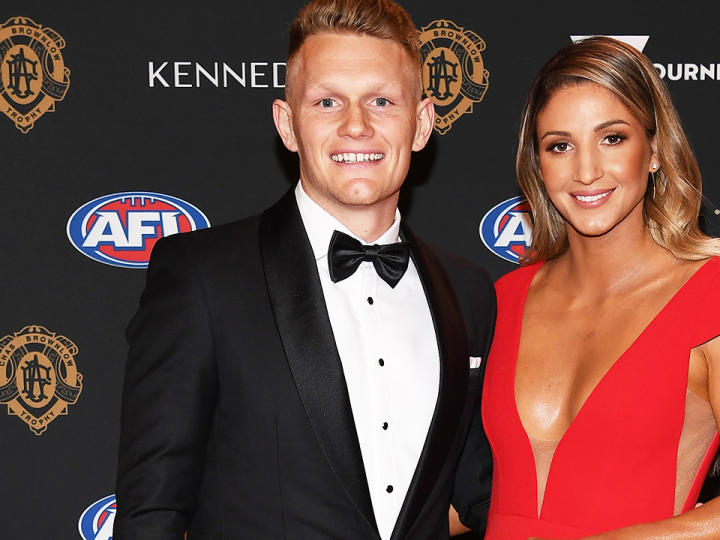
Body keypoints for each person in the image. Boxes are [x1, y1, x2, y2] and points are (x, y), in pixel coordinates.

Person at [115, 1, 494, 538]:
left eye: (381, 101)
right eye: (327, 102)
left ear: (422, 124)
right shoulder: (203, 278)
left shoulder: (469, 292)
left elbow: (482, 492)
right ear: (288, 125)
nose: (356, 126)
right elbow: (150, 511)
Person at [481, 37, 720, 539]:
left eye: (612, 138)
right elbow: (469, 494)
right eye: (560, 146)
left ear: (654, 150)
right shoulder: (504, 298)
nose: (586, 171)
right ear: (539, 167)